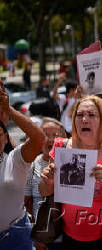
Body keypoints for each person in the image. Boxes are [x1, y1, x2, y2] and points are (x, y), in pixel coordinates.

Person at [39, 95, 102, 250]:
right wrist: (47, 180)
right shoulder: (62, 147)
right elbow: (45, 192)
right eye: (79, 115)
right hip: (68, 236)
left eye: (91, 115)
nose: (84, 119)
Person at [0, 80, 45, 250]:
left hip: (16, 239)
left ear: (5, 138)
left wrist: (8, 110)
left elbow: (38, 138)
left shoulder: (15, 159)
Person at [24, 118, 66, 250]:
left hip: (69, 236)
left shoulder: (73, 163)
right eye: (46, 135)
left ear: (65, 139)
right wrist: (36, 237)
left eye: (56, 135)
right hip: (44, 238)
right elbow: (26, 203)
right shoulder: (31, 164)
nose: (51, 140)